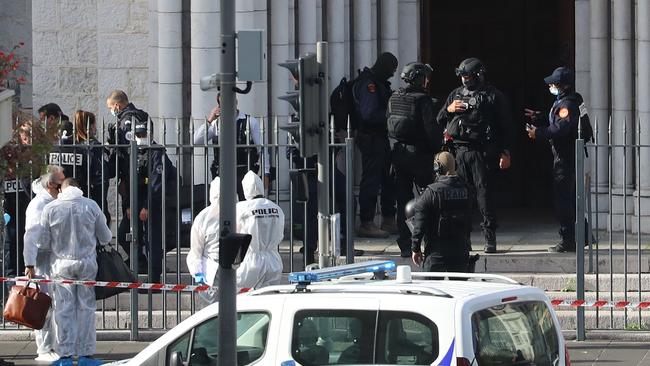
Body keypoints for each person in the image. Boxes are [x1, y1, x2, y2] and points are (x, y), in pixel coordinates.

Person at [436, 58, 513, 253]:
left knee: (484, 196)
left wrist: (505, 151)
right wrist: (449, 109)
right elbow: (438, 119)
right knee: (461, 196)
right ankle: (464, 238)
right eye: (462, 77)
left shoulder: (492, 96)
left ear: (478, 75)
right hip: (459, 152)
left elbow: (506, 126)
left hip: (482, 152)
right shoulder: (455, 95)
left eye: (468, 76)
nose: (464, 81)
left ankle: (489, 237)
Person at [39, 178, 112, 366]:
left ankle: (65, 355)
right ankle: (86, 354)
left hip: (61, 265)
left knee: (63, 310)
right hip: (87, 264)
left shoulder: (51, 208)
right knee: (86, 309)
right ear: (79, 188)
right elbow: (105, 237)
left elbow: (43, 243)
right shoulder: (91, 206)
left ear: (62, 189)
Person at [525, 67, 584, 253]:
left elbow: (561, 129)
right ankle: (584, 235)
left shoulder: (568, 104)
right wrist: (541, 117)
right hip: (564, 154)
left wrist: (538, 133)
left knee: (563, 199)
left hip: (565, 156)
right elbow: (558, 122)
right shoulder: (565, 101)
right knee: (570, 198)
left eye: (554, 83)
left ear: (564, 85)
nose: (550, 86)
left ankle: (568, 239)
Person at [387, 62, 442, 257]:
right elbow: (431, 131)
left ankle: (404, 243)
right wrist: (439, 149)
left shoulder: (394, 97)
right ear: (419, 78)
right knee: (425, 199)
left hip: (399, 155)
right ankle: (426, 240)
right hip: (420, 156)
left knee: (402, 201)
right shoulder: (422, 100)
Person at [116, 119, 177, 284]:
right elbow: (129, 180)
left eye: (143, 135)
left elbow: (156, 183)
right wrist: (128, 204)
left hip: (152, 203)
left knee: (152, 241)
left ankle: (154, 279)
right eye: (137, 135)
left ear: (149, 135)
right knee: (124, 235)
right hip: (135, 201)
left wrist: (146, 207)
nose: (140, 137)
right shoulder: (134, 151)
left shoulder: (157, 152)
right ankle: (140, 262)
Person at [352, 52, 399, 238]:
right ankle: (367, 222)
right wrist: (391, 117)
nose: (392, 75)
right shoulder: (369, 84)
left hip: (380, 137)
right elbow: (369, 114)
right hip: (370, 138)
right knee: (372, 180)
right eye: (391, 70)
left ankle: (388, 219)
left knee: (388, 179)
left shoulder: (377, 82)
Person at [194, 92, 270, 200]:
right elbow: (196, 140)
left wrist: (266, 173)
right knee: (222, 207)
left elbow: (262, 148)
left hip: (245, 171)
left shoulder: (250, 122)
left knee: (246, 205)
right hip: (222, 173)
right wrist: (210, 119)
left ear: (236, 102)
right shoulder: (216, 123)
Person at [23, 166, 65, 363]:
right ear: (50, 185)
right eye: (60, 185)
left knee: (55, 305)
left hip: (53, 259)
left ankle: (53, 346)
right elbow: (31, 236)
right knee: (44, 305)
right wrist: (29, 263)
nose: (63, 189)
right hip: (41, 260)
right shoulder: (39, 205)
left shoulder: (51, 202)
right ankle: (44, 348)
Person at [411, 152, 473, 272]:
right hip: (460, 251)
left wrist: (415, 248)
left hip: (436, 252)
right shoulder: (467, 190)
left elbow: (419, 225)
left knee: (432, 289)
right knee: (459, 289)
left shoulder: (431, 193)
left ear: (437, 167)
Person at [106, 90, 150, 229]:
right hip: (144, 173)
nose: (111, 111)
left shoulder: (126, 122)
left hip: (132, 177)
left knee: (129, 229)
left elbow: (126, 153)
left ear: (117, 106)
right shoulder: (142, 116)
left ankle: (137, 248)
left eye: (111, 107)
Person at [235, 171, 284, 289]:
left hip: (250, 261)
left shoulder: (241, 208)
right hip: (274, 261)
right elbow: (280, 233)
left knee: (245, 301)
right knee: (269, 299)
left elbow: (234, 233)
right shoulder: (276, 208)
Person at [187, 176, 222, 305]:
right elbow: (196, 249)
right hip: (211, 271)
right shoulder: (203, 218)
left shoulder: (238, 212)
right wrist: (198, 273)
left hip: (236, 269)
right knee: (211, 314)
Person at [72, 110, 111, 225]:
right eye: (94, 124)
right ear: (91, 125)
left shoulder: (70, 144)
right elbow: (104, 172)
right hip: (93, 192)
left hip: (76, 192)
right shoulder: (94, 146)